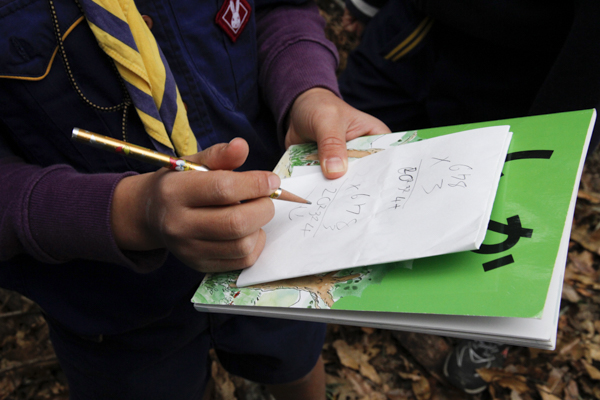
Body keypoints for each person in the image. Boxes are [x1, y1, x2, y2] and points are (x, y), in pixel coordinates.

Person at [0, 0, 390, 397]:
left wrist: (308, 90)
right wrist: (132, 212)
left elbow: (278, 9)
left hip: (275, 248)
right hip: (110, 305)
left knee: (296, 364)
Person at [338, 0, 600, 394]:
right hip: (415, 27)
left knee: (499, 204)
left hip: (534, 72)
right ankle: (347, 270)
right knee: (352, 170)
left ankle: (496, 315)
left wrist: (554, 154)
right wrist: (367, 5)